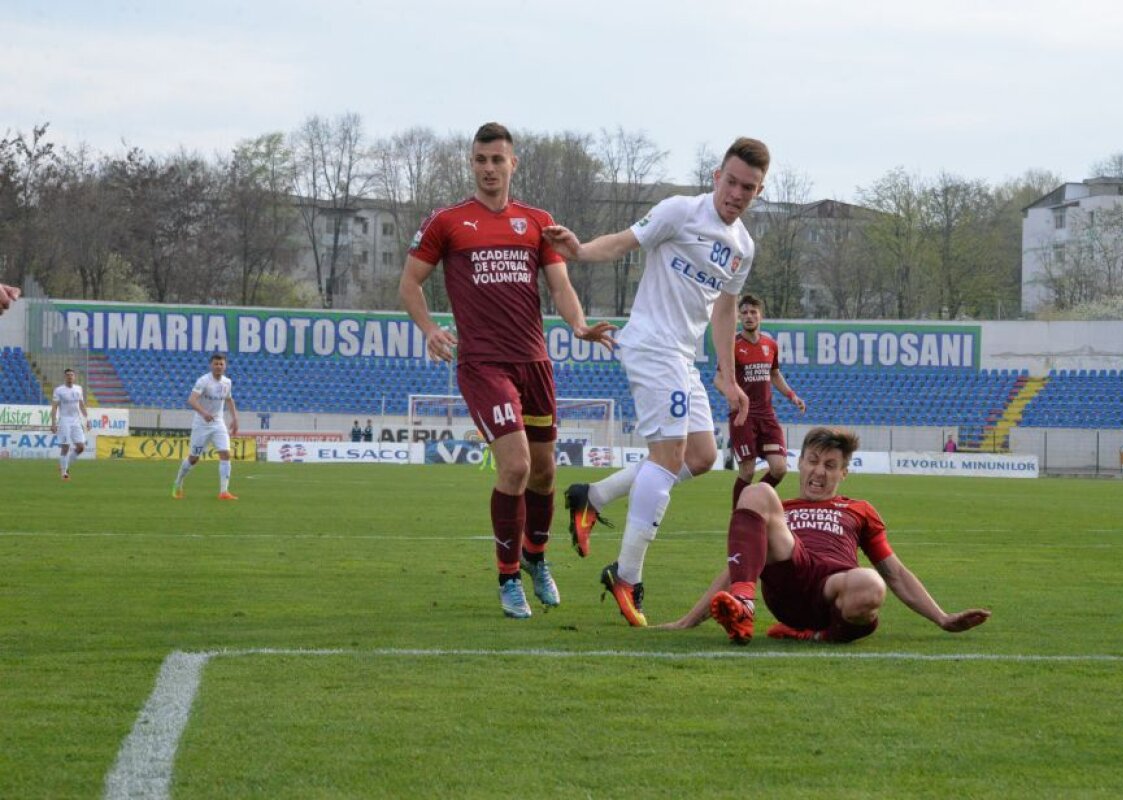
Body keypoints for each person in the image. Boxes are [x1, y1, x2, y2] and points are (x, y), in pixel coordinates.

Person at [545, 137, 770, 626]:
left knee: (702, 457)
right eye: (731, 181)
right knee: (667, 457)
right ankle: (626, 574)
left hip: (683, 357)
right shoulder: (679, 212)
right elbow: (625, 242)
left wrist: (728, 379)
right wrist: (580, 251)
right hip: (649, 344)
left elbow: (726, 309)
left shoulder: (742, 247)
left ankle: (593, 496)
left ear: (758, 191)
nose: (736, 193)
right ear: (717, 176)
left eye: (747, 188)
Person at [399, 121, 616, 620]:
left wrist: (579, 325)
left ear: (513, 163)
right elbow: (410, 283)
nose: (489, 168)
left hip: (535, 362)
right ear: (471, 163)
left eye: (498, 159)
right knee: (515, 466)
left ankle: (536, 559)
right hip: (483, 363)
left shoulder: (536, 221)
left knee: (545, 473)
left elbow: (560, 285)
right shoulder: (448, 222)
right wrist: (430, 328)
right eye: (481, 160)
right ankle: (508, 576)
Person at [659, 426, 991, 645]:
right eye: (813, 461)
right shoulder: (779, 508)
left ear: (844, 473)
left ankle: (814, 635)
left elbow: (896, 574)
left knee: (872, 584)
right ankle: (745, 605)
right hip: (789, 575)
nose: (819, 471)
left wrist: (943, 618)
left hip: (835, 589)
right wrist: (687, 621)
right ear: (799, 463)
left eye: (830, 465)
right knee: (758, 492)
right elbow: (737, 566)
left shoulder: (859, 509)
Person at [714, 294, 806, 508]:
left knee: (779, 468)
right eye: (744, 312)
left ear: (760, 316)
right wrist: (731, 395)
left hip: (767, 415)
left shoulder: (770, 345)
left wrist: (793, 396)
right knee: (747, 470)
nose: (748, 316)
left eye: (753, 312)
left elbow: (774, 374)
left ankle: (752, 503)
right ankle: (740, 516)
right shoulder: (732, 345)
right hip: (743, 416)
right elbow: (718, 378)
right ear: (738, 317)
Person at [172, 352, 240, 500]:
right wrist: (203, 413)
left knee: (225, 453)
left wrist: (235, 418)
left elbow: (229, 399)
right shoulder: (203, 380)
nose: (218, 366)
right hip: (201, 424)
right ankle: (178, 483)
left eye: (221, 364)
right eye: (216, 364)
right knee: (193, 458)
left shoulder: (227, 382)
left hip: (218, 423)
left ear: (225, 366)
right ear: (211, 365)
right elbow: (191, 400)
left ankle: (224, 492)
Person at [50, 368, 88, 480]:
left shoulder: (79, 389)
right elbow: (54, 407)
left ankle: (64, 465)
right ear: (64, 377)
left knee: (81, 447)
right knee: (66, 446)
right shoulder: (59, 390)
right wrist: (53, 423)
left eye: (72, 375)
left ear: (74, 377)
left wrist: (87, 419)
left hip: (76, 421)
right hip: (65, 420)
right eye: (68, 375)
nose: (70, 377)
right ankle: (64, 473)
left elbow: (81, 405)